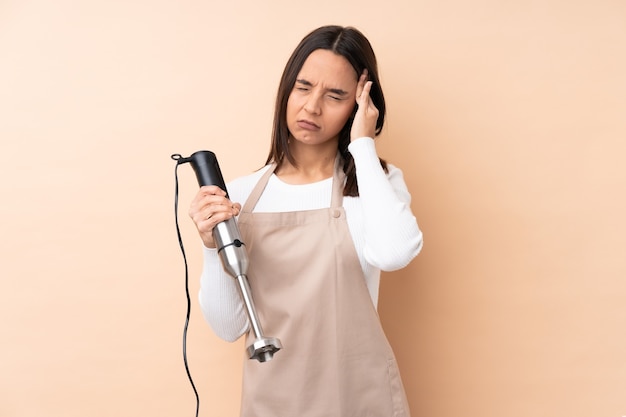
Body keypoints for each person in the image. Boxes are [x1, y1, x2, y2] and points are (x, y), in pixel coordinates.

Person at [189, 25, 423, 417]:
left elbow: (395, 252)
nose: (312, 107)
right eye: (303, 87)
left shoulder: (374, 184)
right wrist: (212, 248)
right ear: (286, 90)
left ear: (360, 105)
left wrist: (363, 145)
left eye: (335, 96)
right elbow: (229, 327)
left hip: (359, 398)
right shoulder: (239, 196)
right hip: (274, 401)